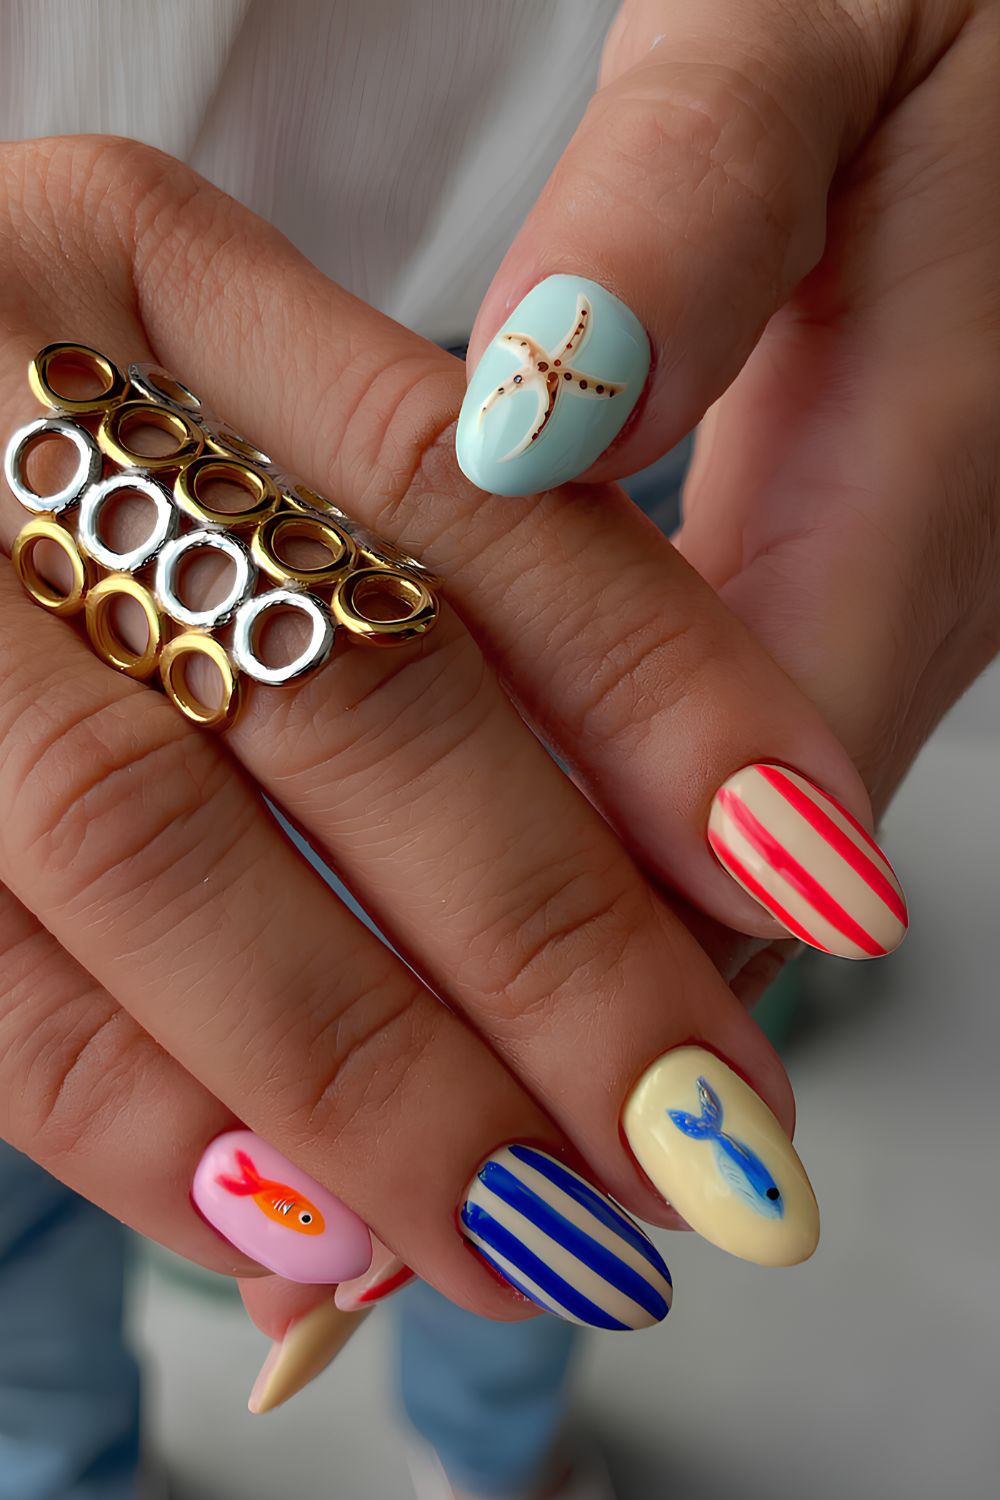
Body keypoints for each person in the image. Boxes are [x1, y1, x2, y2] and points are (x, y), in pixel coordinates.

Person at [0, 2, 997, 1497]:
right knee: (51, 1146)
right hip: (53, 431)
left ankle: (497, 1454)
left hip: (587, 350)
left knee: (578, 1072)